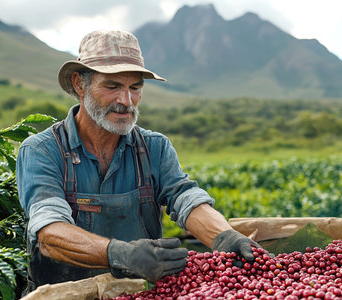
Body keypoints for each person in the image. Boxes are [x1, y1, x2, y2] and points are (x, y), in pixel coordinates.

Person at [16, 30, 260, 290]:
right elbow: (50, 234)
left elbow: (185, 198)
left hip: (139, 292)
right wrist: (123, 255)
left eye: (135, 88)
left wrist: (224, 237)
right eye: (112, 87)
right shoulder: (43, 150)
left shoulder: (154, 148)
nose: (126, 101)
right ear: (79, 84)